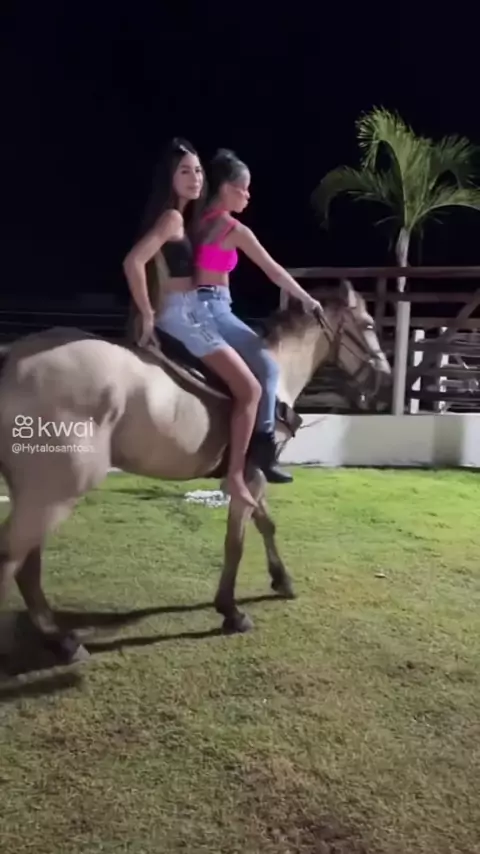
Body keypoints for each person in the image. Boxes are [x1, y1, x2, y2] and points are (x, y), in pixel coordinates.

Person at [122, 138, 264, 509]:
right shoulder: (171, 219)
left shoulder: (184, 220)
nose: (195, 177)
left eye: (198, 171)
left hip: (194, 312)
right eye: (185, 171)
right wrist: (148, 313)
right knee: (251, 390)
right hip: (182, 316)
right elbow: (133, 261)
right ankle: (235, 477)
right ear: (170, 177)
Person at [191, 148, 323, 484]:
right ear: (226, 189)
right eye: (244, 189)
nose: (248, 196)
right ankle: (263, 447)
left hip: (189, 306)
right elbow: (273, 270)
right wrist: (306, 299)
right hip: (215, 309)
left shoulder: (196, 222)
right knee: (268, 367)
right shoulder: (233, 229)